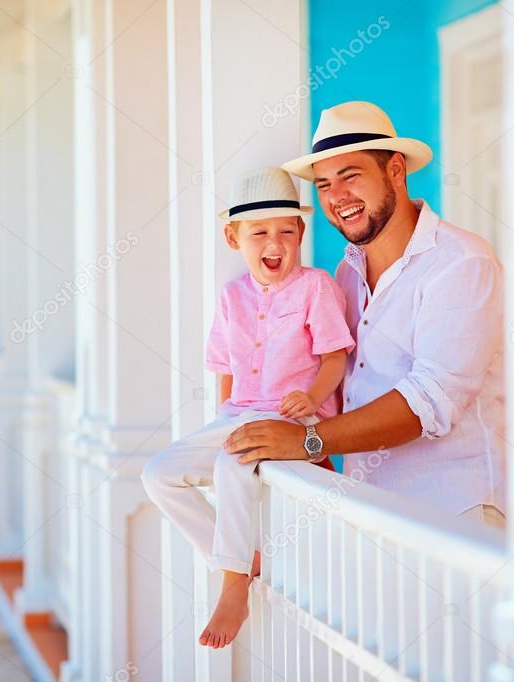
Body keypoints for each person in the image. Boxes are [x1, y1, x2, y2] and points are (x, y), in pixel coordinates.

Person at [224, 101, 507, 530]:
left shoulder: (461, 261)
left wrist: (307, 440)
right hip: (371, 509)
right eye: (323, 185)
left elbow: (429, 400)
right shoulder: (346, 273)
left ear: (395, 170)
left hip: (456, 517)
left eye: (350, 176)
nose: (337, 197)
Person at [141, 166, 355, 649]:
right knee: (158, 474)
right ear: (233, 238)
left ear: (300, 232)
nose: (273, 242)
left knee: (231, 463)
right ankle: (241, 557)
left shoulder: (315, 287)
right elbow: (225, 369)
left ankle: (233, 586)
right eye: (258, 232)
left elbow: (336, 356)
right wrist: (222, 419)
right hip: (239, 412)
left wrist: (314, 399)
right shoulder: (231, 296)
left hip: (291, 415)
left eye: (285, 230)